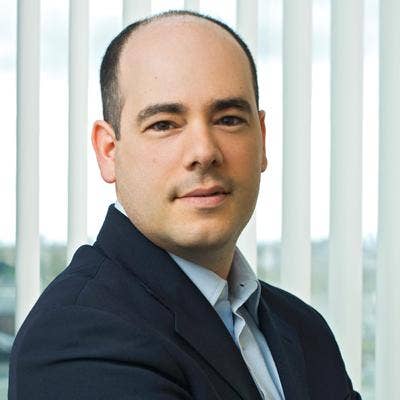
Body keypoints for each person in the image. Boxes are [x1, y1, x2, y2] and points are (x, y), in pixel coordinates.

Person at [9, 10, 361, 400]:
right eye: (164, 124)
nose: (204, 152)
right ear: (109, 151)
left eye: (228, 119)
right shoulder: (74, 338)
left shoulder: (304, 330)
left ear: (262, 139)